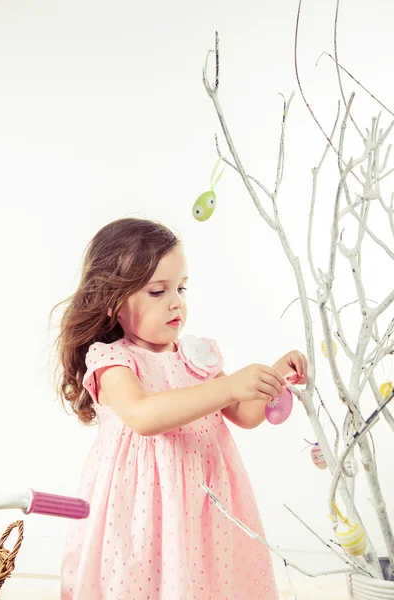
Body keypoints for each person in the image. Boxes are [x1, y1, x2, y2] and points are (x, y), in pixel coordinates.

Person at [53, 217, 308, 600]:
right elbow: (144, 416)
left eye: (181, 288)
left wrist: (270, 379)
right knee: (144, 580)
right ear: (113, 303)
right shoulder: (113, 361)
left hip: (203, 499)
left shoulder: (196, 354)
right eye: (158, 291)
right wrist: (227, 385)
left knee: (203, 577)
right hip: (140, 506)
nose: (176, 302)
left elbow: (244, 413)